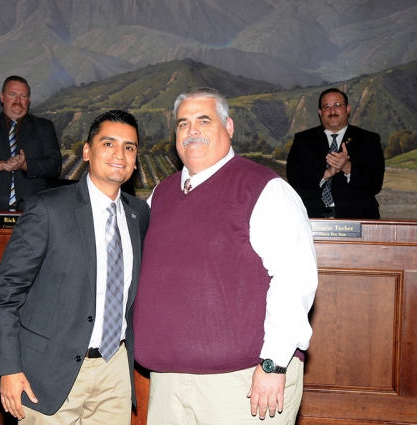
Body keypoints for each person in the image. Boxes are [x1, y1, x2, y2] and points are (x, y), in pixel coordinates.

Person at [133, 87, 318, 424]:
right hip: (168, 381)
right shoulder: (160, 195)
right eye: (183, 124)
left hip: (244, 382)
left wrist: (273, 363)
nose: (192, 131)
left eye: (204, 121)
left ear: (228, 127)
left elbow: (295, 279)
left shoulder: (263, 188)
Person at [0, 109, 150, 424]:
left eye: (129, 147)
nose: (120, 154)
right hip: (48, 373)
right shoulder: (48, 209)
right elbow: (7, 293)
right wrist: (8, 367)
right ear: (87, 151)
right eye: (108, 144)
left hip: (114, 370)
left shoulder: (138, 214)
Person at [0, 75, 62, 211]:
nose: (18, 100)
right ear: (2, 98)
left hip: (33, 212)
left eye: (23, 96)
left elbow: (54, 165)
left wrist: (26, 165)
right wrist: (1, 165)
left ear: (29, 100)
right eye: (12, 94)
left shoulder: (44, 127)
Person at [286, 88, 385, 219]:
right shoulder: (303, 140)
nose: (332, 111)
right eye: (327, 107)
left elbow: (375, 183)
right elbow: (294, 177)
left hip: (357, 217)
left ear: (348, 109)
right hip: (310, 217)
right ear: (320, 112)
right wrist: (326, 173)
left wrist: (347, 167)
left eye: (338, 105)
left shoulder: (368, 139)